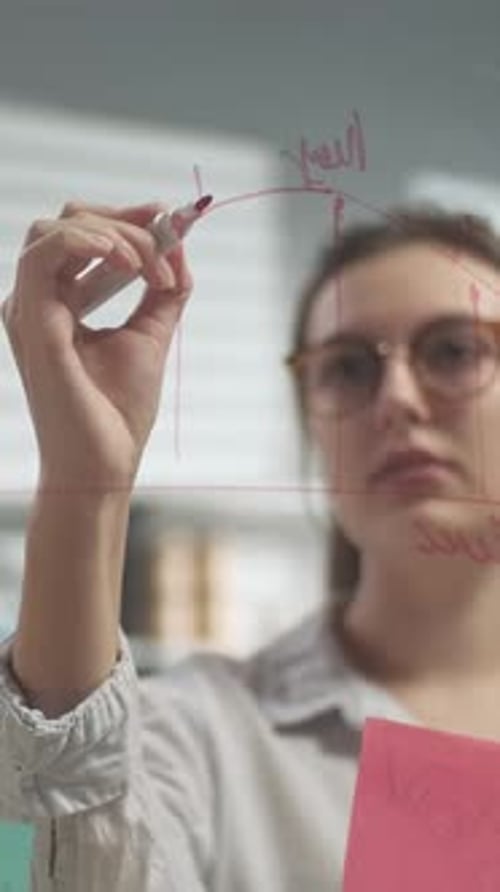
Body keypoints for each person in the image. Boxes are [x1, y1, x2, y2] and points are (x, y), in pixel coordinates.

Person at [0, 198, 500, 891]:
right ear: (311, 424)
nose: (398, 399)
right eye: (349, 368)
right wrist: (84, 485)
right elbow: (38, 867)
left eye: (453, 350)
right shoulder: (200, 736)